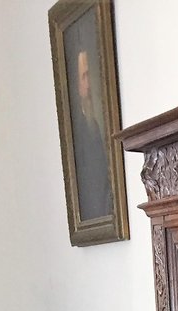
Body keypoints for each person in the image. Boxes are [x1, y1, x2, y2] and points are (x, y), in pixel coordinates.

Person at [71, 47, 112, 221]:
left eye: (90, 75)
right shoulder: (79, 130)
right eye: (84, 76)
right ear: (77, 84)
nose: (89, 84)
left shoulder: (96, 122)